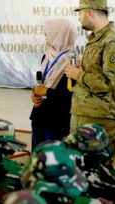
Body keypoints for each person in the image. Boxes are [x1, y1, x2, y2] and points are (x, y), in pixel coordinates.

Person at [64, 0, 115, 163]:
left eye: (80, 13)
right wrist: (82, 67)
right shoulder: (98, 38)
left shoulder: (113, 41)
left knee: (98, 169)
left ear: (90, 13)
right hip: (86, 114)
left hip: (100, 119)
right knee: (78, 167)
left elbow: (111, 82)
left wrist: (78, 75)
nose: (78, 17)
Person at [30, 18, 78, 149]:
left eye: (49, 32)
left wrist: (46, 91)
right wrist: (35, 95)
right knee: (38, 159)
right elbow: (41, 84)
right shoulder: (46, 57)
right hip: (39, 114)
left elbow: (71, 96)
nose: (45, 35)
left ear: (60, 35)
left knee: (54, 159)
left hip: (58, 119)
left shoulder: (72, 61)